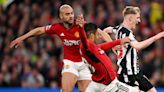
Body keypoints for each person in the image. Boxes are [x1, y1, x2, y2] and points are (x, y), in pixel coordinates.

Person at [10, 4, 91, 92]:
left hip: (85, 62)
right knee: (66, 90)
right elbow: (39, 30)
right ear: (61, 16)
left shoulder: (81, 25)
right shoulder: (58, 27)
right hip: (70, 62)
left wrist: (107, 38)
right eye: (67, 14)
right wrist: (22, 38)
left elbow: (98, 32)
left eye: (72, 13)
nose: (71, 16)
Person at [103, 6, 164, 92]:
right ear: (130, 18)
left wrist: (113, 45)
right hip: (128, 75)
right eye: (137, 18)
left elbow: (106, 30)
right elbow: (138, 46)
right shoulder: (126, 33)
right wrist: (157, 36)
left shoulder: (118, 28)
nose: (139, 21)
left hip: (136, 73)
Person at [76, 15, 139, 92]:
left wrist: (119, 41)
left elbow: (104, 46)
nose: (99, 37)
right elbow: (84, 40)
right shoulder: (86, 46)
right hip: (110, 84)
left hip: (98, 83)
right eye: (97, 34)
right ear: (92, 36)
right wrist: (80, 28)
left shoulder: (94, 47)